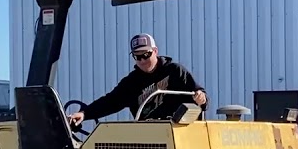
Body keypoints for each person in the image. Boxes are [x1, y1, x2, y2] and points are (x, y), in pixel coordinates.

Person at [67, 33, 208, 125]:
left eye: (146, 55)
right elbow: (111, 101)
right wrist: (85, 114)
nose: (142, 60)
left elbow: (199, 94)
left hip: (178, 133)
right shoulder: (131, 82)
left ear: (155, 51)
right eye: (137, 57)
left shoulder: (175, 72)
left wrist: (201, 98)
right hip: (147, 138)